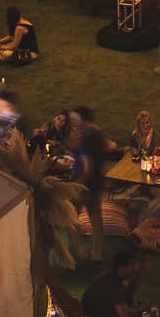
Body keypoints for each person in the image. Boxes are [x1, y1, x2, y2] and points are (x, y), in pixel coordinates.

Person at [67, 107, 110, 263]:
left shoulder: (83, 135)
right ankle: (97, 253)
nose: (72, 121)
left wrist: (79, 183)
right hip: (97, 183)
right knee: (95, 218)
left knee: (70, 216)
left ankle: (79, 251)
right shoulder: (98, 133)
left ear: (81, 118)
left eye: (74, 118)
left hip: (84, 184)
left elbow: (87, 163)